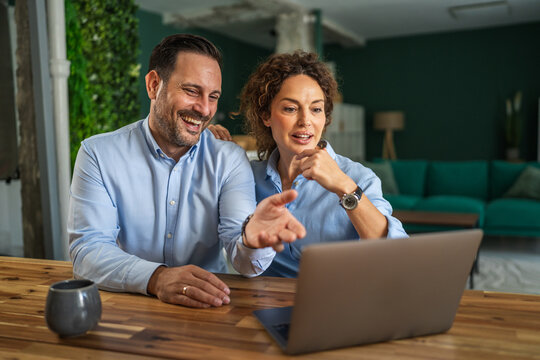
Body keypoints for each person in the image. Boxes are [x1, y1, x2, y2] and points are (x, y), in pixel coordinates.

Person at [68, 34, 306, 309]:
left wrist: (251, 240)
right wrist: (157, 278)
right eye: (192, 91)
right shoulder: (98, 153)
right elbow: (87, 253)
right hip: (127, 307)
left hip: (208, 307)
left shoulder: (228, 159)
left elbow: (244, 261)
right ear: (154, 85)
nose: (204, 109)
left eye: (213, 96)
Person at [209, 51, 408, 277]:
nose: (306, 121)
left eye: (316, 109)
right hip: (266, 304)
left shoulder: (358, 177)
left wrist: (345, 187)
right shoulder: (246, 178)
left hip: (338, 302)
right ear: (266, 115)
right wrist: (214, 151)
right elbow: (238, 257)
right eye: (291, 109)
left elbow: (397, 255)